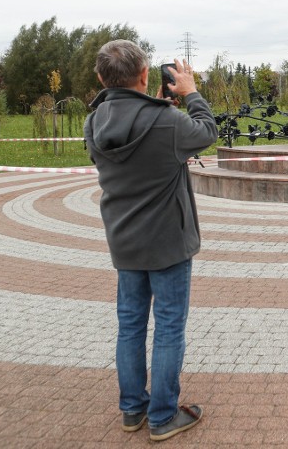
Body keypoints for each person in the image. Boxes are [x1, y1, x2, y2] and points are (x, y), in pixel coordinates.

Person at [83, 40, 217, 441]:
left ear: (100, 78)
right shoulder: (166, 121)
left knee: (130, 325)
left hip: (124, 240)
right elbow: (206, 132)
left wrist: (158, 110)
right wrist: (190, 92)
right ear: (145, 76)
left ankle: (132, 410)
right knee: (170, 327)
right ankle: (162, 416)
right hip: (168, 243)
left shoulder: (93, 123)